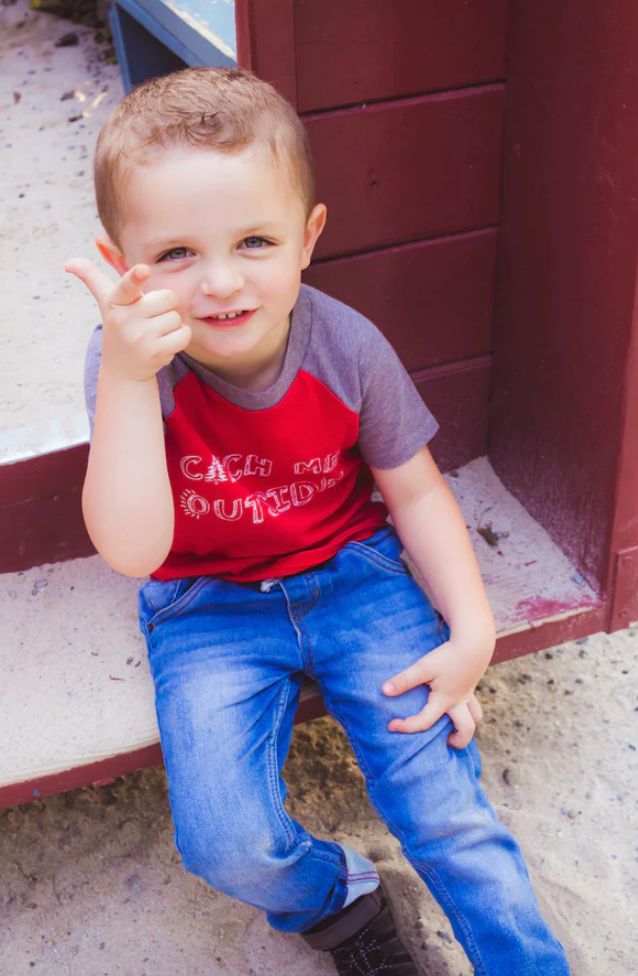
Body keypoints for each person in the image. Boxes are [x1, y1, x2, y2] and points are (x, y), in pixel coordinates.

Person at [66, 67, 570, 976]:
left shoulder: (347, 346)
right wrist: (129, 378)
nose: (220, 282)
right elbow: (134, 550)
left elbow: (414, 491)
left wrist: (473, 630)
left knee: (444, 810)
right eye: (175, 254)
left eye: (254, 240)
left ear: (308, 238)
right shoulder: (127, 362)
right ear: (120, 260)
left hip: (353, 575)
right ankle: (335, 897)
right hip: (207, 603)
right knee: (224, 840)